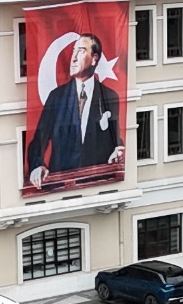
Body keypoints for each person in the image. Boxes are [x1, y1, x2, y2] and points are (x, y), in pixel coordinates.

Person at [25, 33, 124, 190]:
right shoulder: (56, 97)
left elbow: (115, 138)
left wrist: (118, 152)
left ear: (94, 59)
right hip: (60, 185)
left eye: (81, 51)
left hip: (96, 185)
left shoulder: (109, 96)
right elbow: (38, 141)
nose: (74, 58)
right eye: (73, 51)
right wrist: (37, 166)